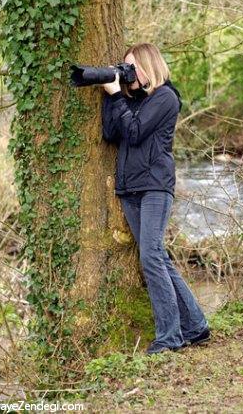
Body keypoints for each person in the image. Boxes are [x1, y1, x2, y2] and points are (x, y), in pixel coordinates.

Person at [101, 42, 210, 354]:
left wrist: (118, 96)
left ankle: (170, 336)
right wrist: (114, 95)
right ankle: (196, 326)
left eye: (133, 68)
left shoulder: (165, 97)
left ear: (150, 66)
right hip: (129, 189)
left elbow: (134, 132)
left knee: (151, 256)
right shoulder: (133, 99)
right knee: (157, 257)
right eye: (127, 68)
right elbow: (111, 133)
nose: (129, 74)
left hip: (155, 187)